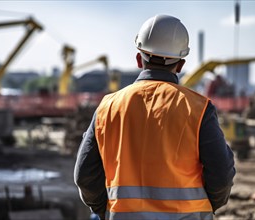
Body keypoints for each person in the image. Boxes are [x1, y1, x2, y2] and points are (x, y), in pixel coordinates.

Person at [74, 14, 235, 220]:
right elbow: (222, 175)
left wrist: (101, 210)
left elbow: (85, 176)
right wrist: (206, 207)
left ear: (139, 59)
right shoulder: (199, 108)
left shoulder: (108, 107)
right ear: (180, 65)